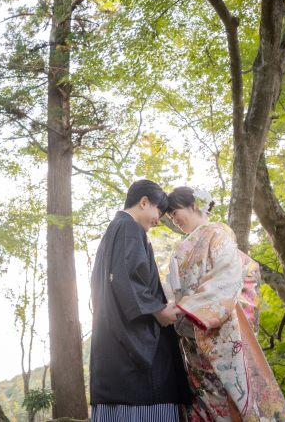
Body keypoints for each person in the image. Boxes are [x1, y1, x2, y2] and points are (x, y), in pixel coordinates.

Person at [166, 187, 285, 422]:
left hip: (214, 328)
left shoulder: (218, 233)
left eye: (175, 213)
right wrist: (169, 309)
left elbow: (227, 276)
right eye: (170, 218)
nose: (174, 221)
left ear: (194, 205)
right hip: (190, 331)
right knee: (203, 397)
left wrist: (190, 307)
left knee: (228, 394)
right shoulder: (181, 248)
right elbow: (172, 288)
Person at [90, 179, 193, 422]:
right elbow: (128, 280)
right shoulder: (130, 228)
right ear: (143, 202)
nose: (159, 220)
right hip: (135, 359)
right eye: (158, 211)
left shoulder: (113, 230)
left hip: (112, 350)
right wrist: (159, 310)